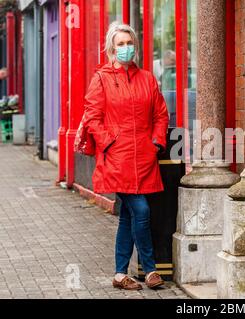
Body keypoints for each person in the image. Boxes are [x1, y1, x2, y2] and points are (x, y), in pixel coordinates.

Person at [83, 22, 169, 291]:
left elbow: (160, 114)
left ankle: (120, 274)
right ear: (111, 48)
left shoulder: (147, 78)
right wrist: (110, 143)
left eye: (129, 43)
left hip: (144, 158)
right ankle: (151, 268)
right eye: (120, 44)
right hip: (117, 159)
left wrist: (156, 142)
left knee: (128, 217)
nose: (126, 48)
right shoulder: (102, 78)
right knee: (141, 210)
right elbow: (92, 118)